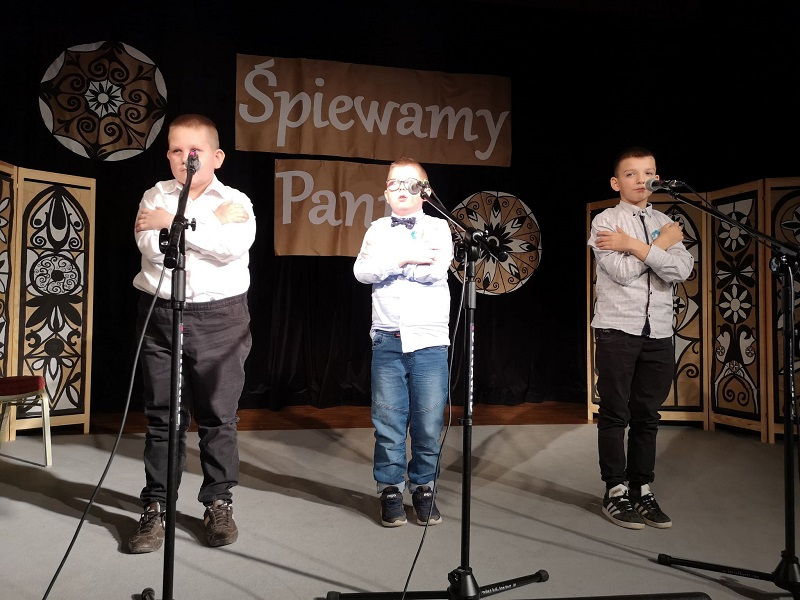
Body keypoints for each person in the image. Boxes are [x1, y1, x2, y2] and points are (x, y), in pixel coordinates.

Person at [128, 114, 256, 553]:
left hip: (222, 317)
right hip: (162, 314)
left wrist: (176, 221)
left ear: (216, 157)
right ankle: (157, 506)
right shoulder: (155, 195)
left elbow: (230, 247)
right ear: (168, 155)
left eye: (195, 151)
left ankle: (218, 501)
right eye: (177, 151)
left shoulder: (236, 200)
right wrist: (205, 220)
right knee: (163, 416)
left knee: (219, 416)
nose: (186, 158)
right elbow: (153, 246)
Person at [587, 146, 693, 530]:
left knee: (647, 414)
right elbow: (621, 272)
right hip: (618, 328)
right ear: (616, 183)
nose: (641, 180)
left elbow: (681, 270)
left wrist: (634, 246)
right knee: (615, 411)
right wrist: (657, 246)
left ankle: (641, 487)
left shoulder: (666, 222)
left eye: (648, 173)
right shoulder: (605, 221)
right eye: (631, 174)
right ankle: (614, 489)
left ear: (657, 178)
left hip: (659, 331)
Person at [353, 157, 453, 527]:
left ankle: (424, 487)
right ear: (385, 192)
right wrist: (405, 258)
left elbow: (434, 271)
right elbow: (362, 271)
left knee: (428, 423)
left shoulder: (439, 227)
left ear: (424, 192)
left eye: (409, 183)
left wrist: (391, 262)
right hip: (387, 339)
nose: (400, 189)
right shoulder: (377, 229)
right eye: (393, 183)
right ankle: (390, 489)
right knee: (388, 421)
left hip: (429, 341)